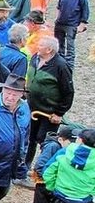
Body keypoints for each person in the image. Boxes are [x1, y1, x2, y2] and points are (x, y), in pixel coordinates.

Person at [25, 35, 75, 174]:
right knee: (29, 138)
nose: (37, 47)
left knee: (45, 141)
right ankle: (25, 167)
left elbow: (68, 92)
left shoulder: (61, 66)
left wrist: (59, 113)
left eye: (41, 45)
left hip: (49, 113)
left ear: (49, 50)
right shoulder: (35, 58)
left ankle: (42, 171)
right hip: (32, 108)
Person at [53, 0, 89, 66]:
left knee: (70, 45)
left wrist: (82, 25)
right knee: (58, 42)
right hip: (60, 23)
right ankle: (59, 60)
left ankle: (69, 64)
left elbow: (85, 11)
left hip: (71, 25)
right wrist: (57, 18)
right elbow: (58, 7)